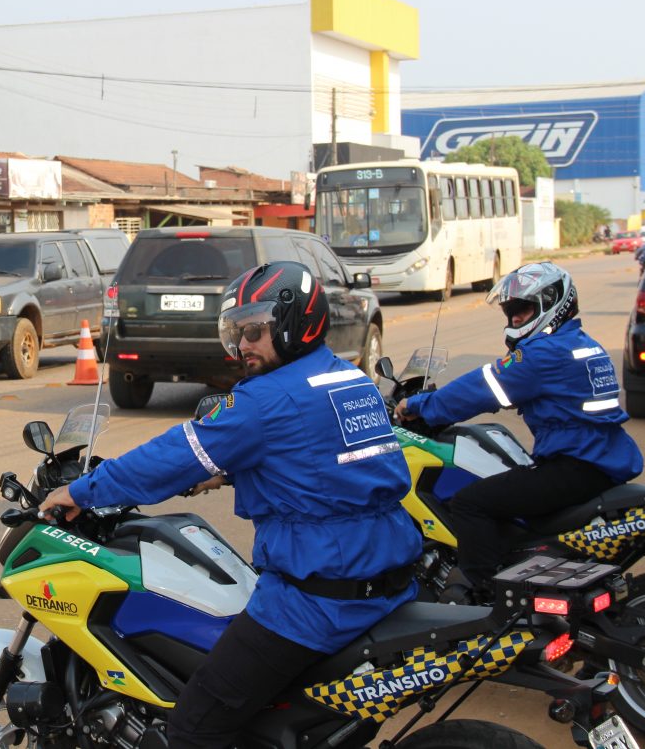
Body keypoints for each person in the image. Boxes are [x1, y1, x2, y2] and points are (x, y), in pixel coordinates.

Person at [40, 262, 422, 749]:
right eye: (237, 332)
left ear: (296, 323)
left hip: (318, 601)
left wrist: (81, 491)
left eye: (255, 331)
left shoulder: (264, 400)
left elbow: (169, 458)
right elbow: (322, 460)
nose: (242, 346)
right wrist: (235, 470)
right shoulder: (347, 378)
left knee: (192, 730)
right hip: (387, 578)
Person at [394, 262, 643, 602]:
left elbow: (482, 388)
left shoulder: (544, 354)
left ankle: (485, 597)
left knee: (469, 502)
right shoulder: (584, 345)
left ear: (553, 304)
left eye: (523, 311)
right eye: (511, 313)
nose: (515, 321)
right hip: (602, 458)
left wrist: (419, 406)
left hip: (576, 465)